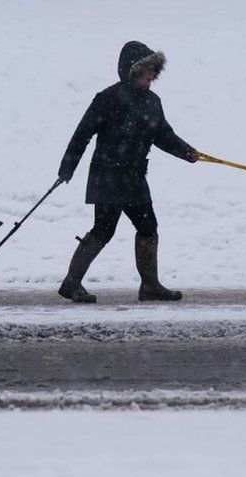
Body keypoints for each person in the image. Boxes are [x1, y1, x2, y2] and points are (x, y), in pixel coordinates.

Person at [56, 41, 199, 303]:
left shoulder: (152, 101)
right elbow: (82, 134)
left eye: (153, 73)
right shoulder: (108, 98)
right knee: (104, 229)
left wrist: (187, 152)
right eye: (147, 72)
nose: (151, 78)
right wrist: (68, 167)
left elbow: (163, 135)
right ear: (132, 71)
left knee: (148, 226)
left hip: (133, 177)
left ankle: (150, 285)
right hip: (108, 176)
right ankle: (72, 282)